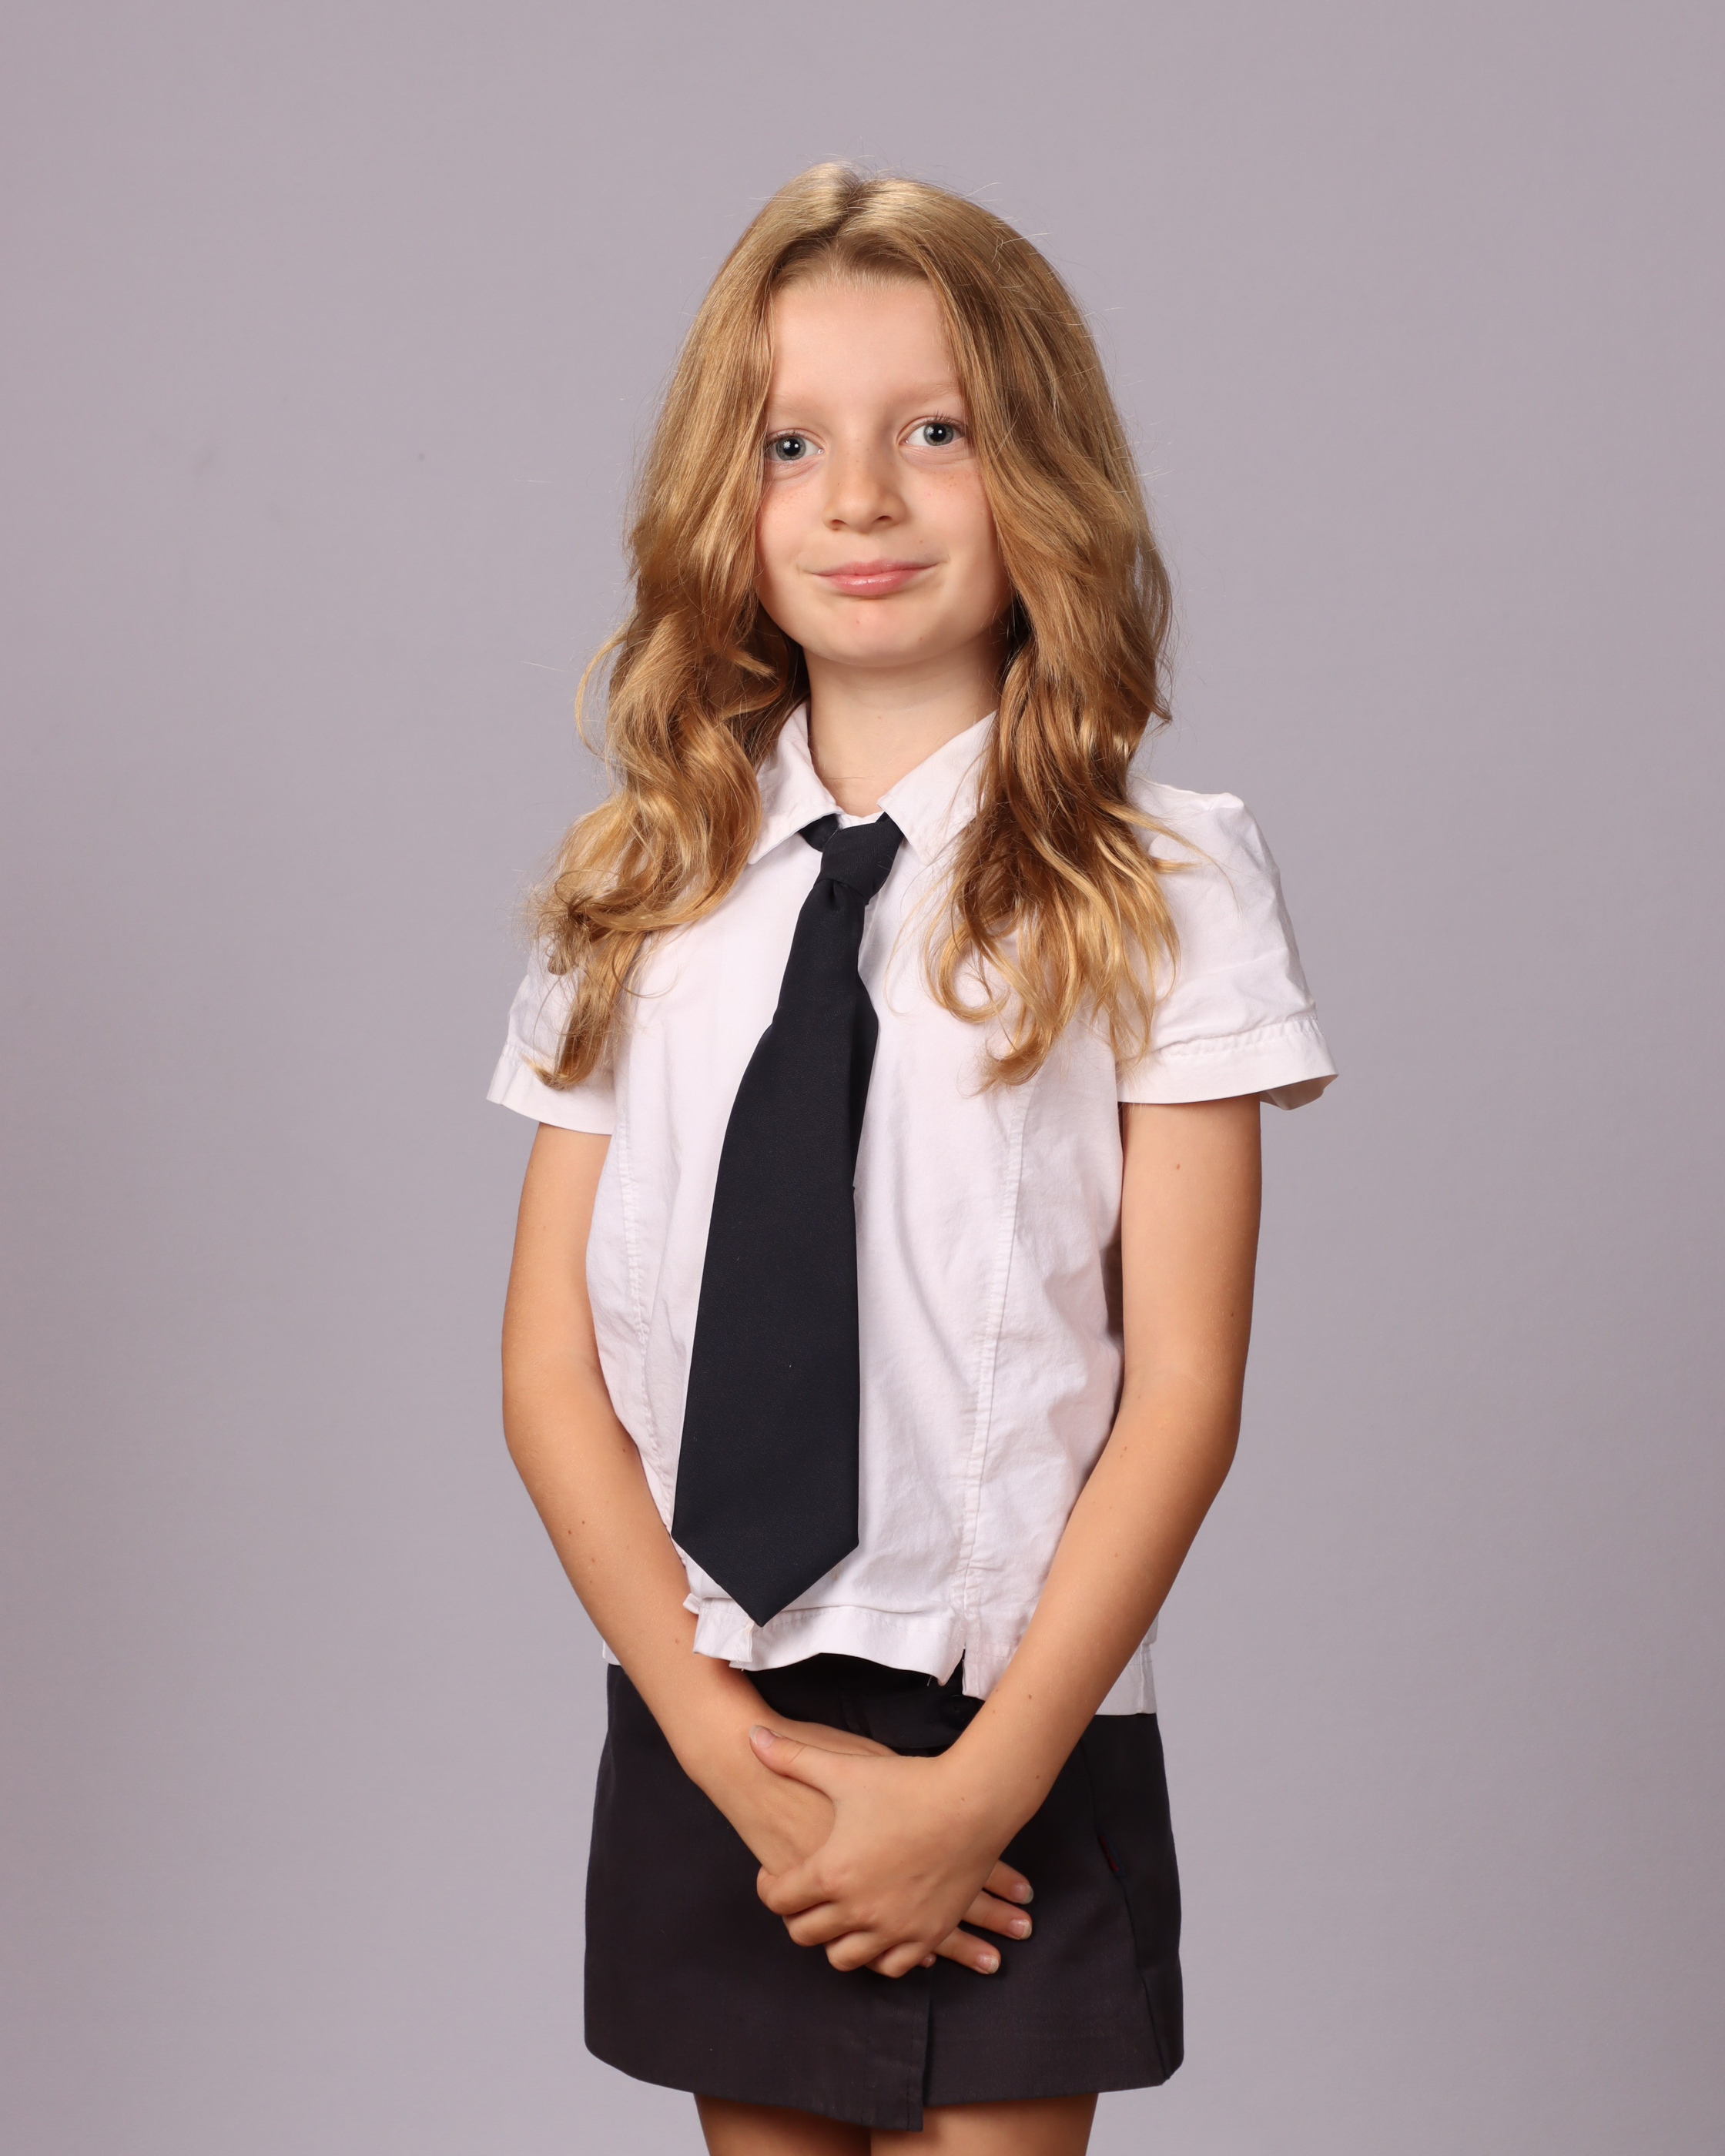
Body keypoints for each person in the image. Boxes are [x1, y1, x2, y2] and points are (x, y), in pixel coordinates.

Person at [491, 165, 1335, 2156]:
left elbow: (1185, 1387)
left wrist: (982, 1790)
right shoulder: (637, 888)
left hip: (1013, 1711)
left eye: (933, 434)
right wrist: (721, 1747)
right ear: (722, 495)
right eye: (792, 444)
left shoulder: (1161, 882)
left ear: (1043, 471)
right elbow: (547, 1373)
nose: (859, 499)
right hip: (717, 1697)